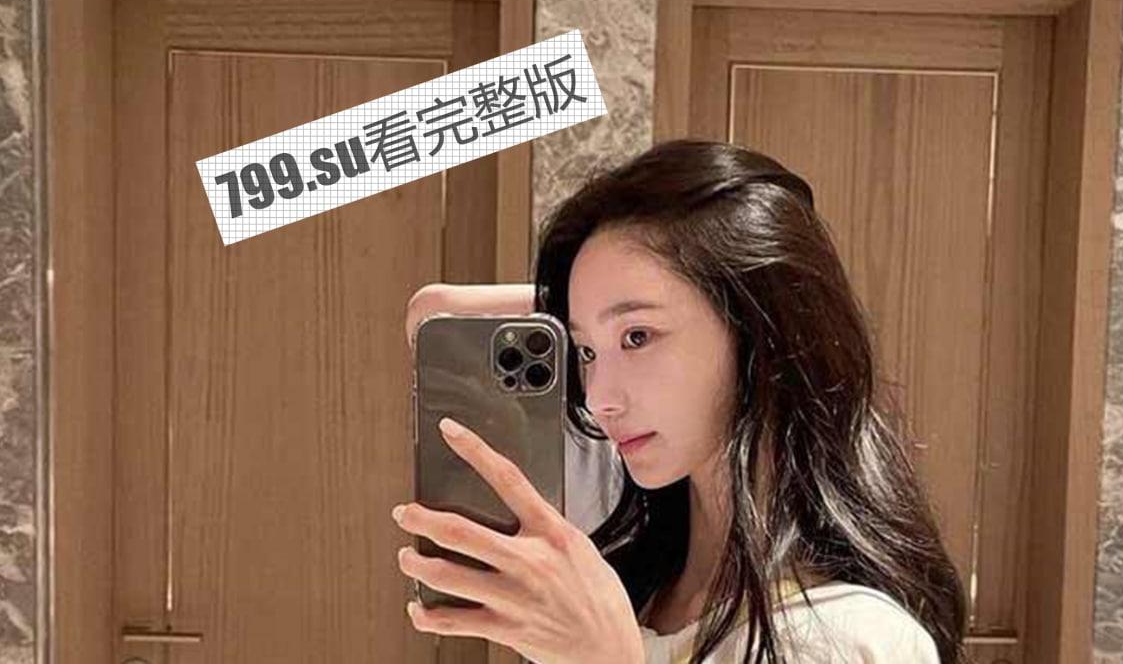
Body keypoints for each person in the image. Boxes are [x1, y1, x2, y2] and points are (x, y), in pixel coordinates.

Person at [395, 138, 967, 663]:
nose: (598, 399)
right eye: (586, 351)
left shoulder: (856, 637)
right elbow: (431, 312)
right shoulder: (623, 591)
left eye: (637, 337)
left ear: (761, 332)